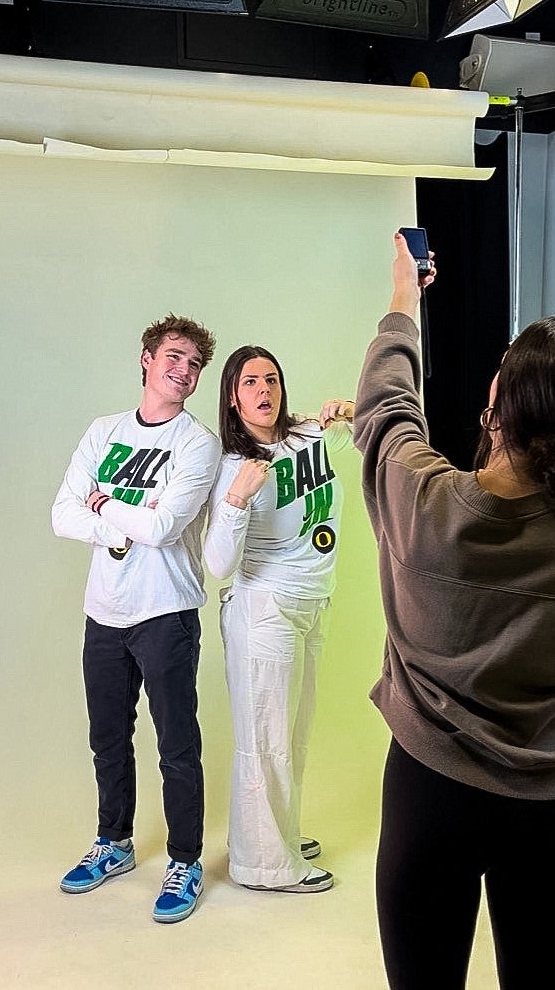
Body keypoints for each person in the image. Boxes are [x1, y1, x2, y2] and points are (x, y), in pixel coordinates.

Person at [353, 231, 555, 989]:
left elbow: (385, 410)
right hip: (545, 814)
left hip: (425, 796)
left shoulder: (421, 500)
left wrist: (406, 298)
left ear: (496, 405)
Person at [51, 314, 221, 924]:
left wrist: (105, 500)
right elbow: (62, 513)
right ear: (147, 359)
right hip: (105, 611)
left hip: (166, 612)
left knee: (177, 744)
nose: (184, 371)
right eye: (174, 357)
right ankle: (114, 843)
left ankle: (185, 860)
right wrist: (122, 516)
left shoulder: (198, 444)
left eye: (195, 365)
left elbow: (164, 527)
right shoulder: (105, 430)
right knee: (107, 739)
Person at [204, 345, 354, 892]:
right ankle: (265, 864)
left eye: (271, 379)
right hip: (263, 610)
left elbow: (354, 435)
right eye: (249, 383)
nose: (263, 390)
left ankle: (276, 833)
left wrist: (350, 412)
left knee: (293, 733)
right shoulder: (231, 468)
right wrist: (237, 500)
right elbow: (218, 563)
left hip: (313, 602)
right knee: (264, 738)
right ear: (232, 396)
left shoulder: (304, 436)